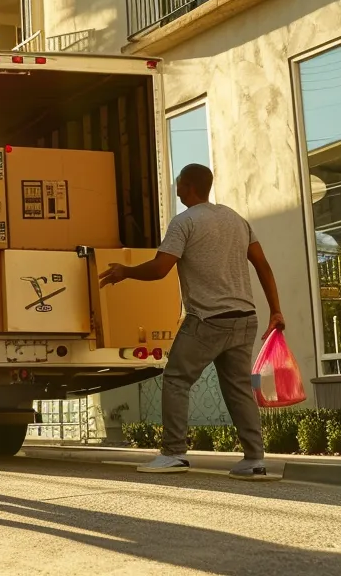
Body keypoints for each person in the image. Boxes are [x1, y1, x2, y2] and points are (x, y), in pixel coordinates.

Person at [99, 164, 284, 481]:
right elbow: (263, 266)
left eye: (179, 185)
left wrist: (125, 271)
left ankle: (173, 452)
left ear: (189, 186)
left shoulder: (183, 222)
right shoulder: (236, 220)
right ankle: (254, 459)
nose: (177, 190)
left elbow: (160, 269)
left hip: (208, 320)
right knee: (239, 389)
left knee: (176, 379)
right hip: (245, 318)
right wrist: (276, 311)